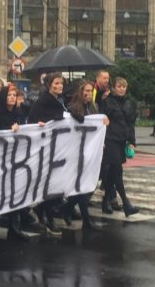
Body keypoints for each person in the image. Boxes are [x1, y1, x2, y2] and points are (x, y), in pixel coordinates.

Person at [0, 84, 34, 240]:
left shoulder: (18, 113)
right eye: (9, 95)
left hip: (16, 159)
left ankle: (14, 228)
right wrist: (9, 130)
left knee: (15, 192)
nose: (12, 98)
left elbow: (26, 128)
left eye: (14, 95)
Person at [27, 73, 70, 237]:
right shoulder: (42, 102)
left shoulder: (60, 100)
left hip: (57, 148)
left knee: (54, 183)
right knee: (49, 184)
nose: (59, 86)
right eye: (56, 83)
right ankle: (49, 218)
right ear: (49, 84)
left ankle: (42, 210)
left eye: (61, 83)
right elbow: (32, 121)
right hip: (45, 148)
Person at [62, 80, 109, 230]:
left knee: (88, 185)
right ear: (80, 92)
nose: (88, 94)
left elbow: (96, 126)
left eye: (90, 91)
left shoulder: (93, 107)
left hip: (90, 152)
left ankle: (66, 209)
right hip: (77, 152)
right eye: (86, 91)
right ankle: (86, 220)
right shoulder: (73, 107)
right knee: (82, 185)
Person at [101, 77, 140, 217]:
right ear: (114, 88)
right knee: (117, 171)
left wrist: (132, 141)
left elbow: (131, 123)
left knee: (113, 172)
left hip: (121, 140)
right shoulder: (108, 101)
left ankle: (105, 201)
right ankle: (126, 203)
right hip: (110, 139)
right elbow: (102, 121)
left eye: (124, 86)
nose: (122, 89)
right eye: (119, 86)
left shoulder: (130, 102)